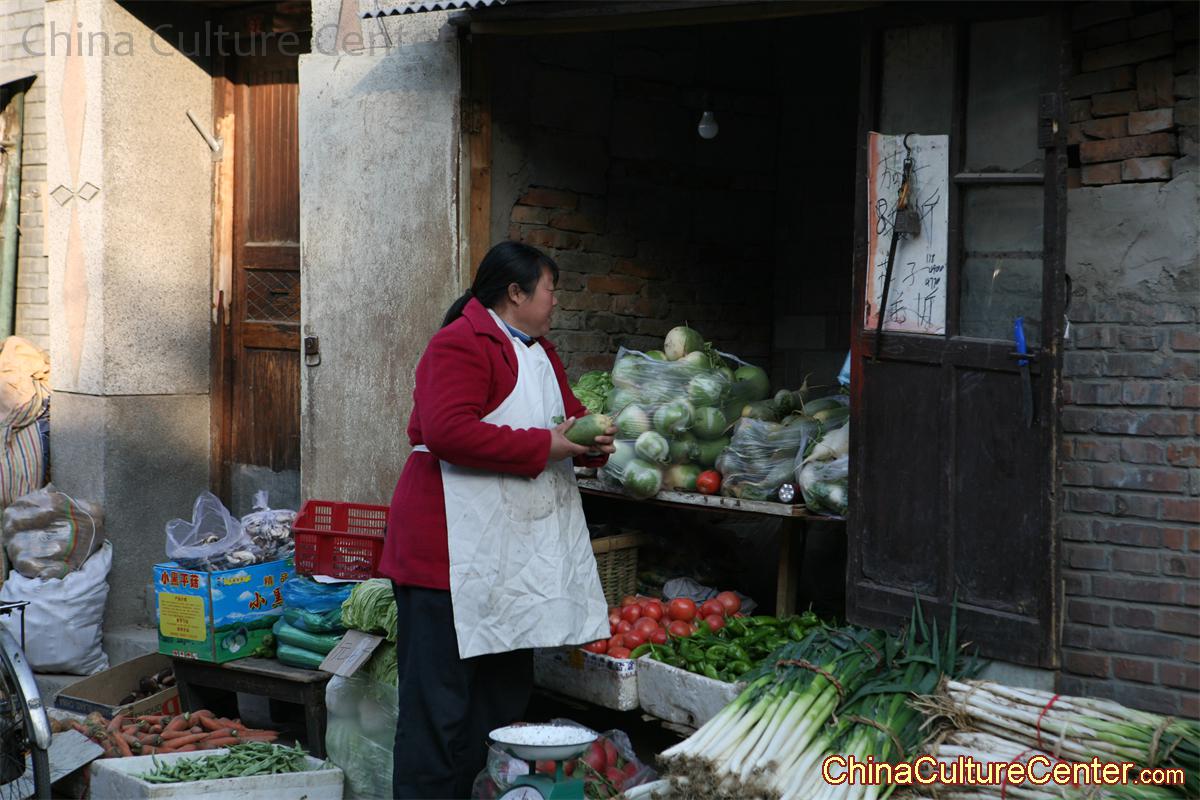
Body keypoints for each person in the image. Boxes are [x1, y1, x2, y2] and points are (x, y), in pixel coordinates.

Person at [379, 241, 616, 799]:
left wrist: (591, 444)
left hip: (509, 562)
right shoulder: (459, 343)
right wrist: (546, 445)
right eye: (550, 289)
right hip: (444, 559)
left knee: (499, 706)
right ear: (515, 293)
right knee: (438, 711)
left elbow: (566, 422)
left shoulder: (539, 353)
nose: (555, 301)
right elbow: (447, 431)